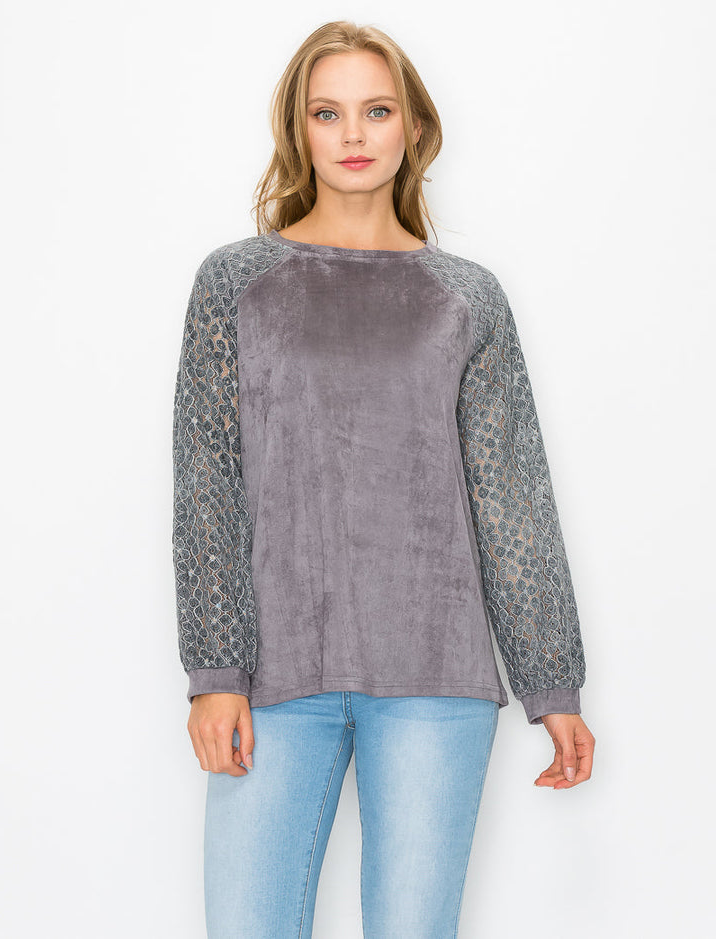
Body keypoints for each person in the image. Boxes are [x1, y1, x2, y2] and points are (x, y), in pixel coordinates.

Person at [171, 19, 595, 939]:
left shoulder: (467, 296)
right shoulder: (236, 282)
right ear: (298, 128)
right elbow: (207, 484)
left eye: (377, 110)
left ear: (415, 127)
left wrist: (553, 683)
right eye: (327, 113)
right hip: (272, 678)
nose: (354, 134)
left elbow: (512, 497)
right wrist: (215, 672)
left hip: (436, 679)